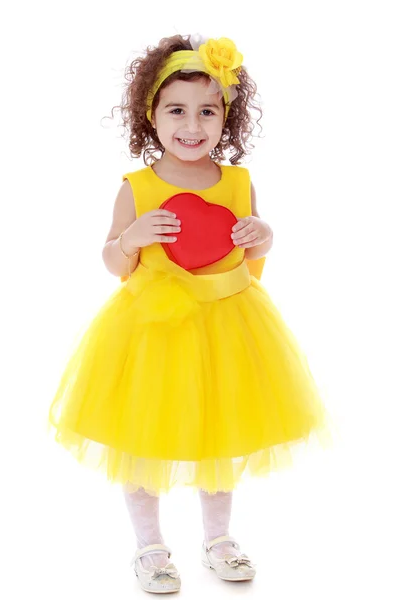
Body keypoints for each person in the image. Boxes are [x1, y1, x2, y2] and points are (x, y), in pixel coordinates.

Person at [47, 34, 334, 593]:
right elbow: (113, 261)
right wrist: (130, 237)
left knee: (220, 437)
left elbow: (250, 250)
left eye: (208, 111)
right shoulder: (139, 186)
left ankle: (218, 539)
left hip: (226, 325)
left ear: (227, 117)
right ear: (150, 114)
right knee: (142, 439)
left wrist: (263, 233)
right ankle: (149, 546)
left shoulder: (236, 181)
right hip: (154, 332)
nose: (192, 124)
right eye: (176, 109)